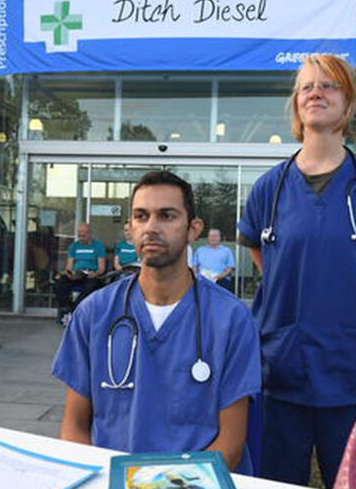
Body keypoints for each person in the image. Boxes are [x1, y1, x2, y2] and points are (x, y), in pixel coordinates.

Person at [237, 54, 356, 488]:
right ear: (296, 104)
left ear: (348, 105)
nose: (316, 93)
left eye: (328, 86)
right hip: (281, 372)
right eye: (307, 87)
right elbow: (269, 266)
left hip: (355, 370)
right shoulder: (268, 190)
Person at [53, 170, 261, 473]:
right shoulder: (94, 313)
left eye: (167, 216)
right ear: (130, 229)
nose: (151, 227)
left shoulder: (230, 318)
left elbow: (230, 447)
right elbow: (73, 428)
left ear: (193, 229)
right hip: (112, 488)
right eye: (141, 216)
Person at [53, 222, 107, 325]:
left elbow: (101, 268)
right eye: (79, 236)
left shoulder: (98, 246)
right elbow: (69, 265)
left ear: (90, 234)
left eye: (83, 236)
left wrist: (95, 273)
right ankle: (66, 308)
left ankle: (74, 310)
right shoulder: (74, 246)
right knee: (59, 284)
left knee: (90, 287)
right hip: (77, 274)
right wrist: (70, 273)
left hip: (91, 275)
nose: (81, 238)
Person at [191, 228, 236, 292]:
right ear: (208, 238)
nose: (213, 238)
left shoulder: (226, 251)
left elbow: (230, 267)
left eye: (215, 236)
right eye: (211, 236)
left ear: (220, 238)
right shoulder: (200, 250)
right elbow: (194, 266)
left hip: (221, 280)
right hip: (203, 280)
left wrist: (219, 276)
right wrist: (198, 276)